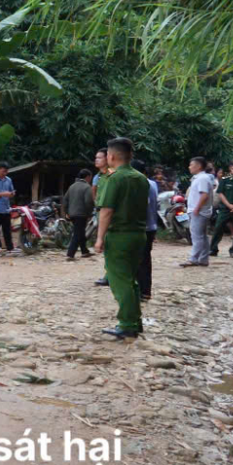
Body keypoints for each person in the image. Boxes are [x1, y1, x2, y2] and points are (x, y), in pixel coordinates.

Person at [94, 137, 150, 339]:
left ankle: (126, 324)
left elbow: (106, 210)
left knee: (120, 282)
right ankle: (135, 322)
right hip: (139, 234)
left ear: (112, 156)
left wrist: (99, 238)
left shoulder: (114, 178)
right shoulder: (141, 178)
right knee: (131, 280)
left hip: (120, 235)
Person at [182, 156, 216, 268]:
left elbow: (204, 195)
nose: (189, 167)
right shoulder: (200, 178)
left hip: (200, 211)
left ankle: (194, 259)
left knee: (196, 236)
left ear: (199, 166)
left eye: (192, 165)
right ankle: (203, 259)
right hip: (201, 211)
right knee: (202, 236)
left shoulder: (202, 178)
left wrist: (197, 208)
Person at [132, 159, 158, 301]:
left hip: (142, 227)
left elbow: (142, 206)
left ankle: (142, 291)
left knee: (140, 261)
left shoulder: (140, 184)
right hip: (151, 226)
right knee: (145, 260)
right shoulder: (153, 184)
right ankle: (145, 291)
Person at [63, 168, 95, 260]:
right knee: (77, 234)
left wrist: (67, 212)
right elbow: (88, 201)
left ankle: (84, 251)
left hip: (72, 214)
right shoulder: (87, 187)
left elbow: (65, 201)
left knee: (80, 232)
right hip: (81, 214)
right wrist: (90, 212)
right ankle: (70, 254)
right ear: (88, 177)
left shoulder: (72, 186)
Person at [93, 148, 111, 287]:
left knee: (110, 244)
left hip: (110, 213)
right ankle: (109, 274)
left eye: (99, 157)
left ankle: (110, 275)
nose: (96, 160)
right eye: (96, 157)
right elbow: (94, 192)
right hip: (101, 211)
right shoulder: (99, 176)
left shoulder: (112, 176)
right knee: (106, 245)